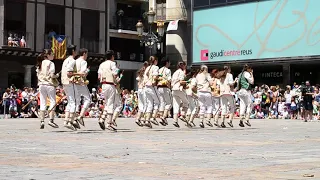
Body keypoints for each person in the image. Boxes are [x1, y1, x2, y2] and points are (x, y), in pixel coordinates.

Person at [36, 49, 59, 129]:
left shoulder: (40, 63)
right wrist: (57, 76)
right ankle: (51, 120)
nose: (53, 55)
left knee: (43, 102)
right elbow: (52, 75)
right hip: (49, 84)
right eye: (52, 54)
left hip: (41, 84)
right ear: (48, 55)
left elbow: (38, 75)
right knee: (53, 101)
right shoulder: (51, 63)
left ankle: (42, 120)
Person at [98, 50, 119, 131]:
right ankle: (109, 123)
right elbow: (115, 74)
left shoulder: (101, 64)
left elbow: (99, 76)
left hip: (103, 85)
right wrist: (117, 73)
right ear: (112, 56)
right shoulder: (112, 63)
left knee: (107, 103)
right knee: (111, 104)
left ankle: (102, 118)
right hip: (110, 84)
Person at [61, 45, 78, 130]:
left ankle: (65, 120)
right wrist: (79, 74)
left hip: (64, 82)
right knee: (73, 102)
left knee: (69, 102)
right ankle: (70, 121)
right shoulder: (72, 60)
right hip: (70, 82)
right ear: (73, 51)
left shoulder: (65, 60)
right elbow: (69, 73)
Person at [74, 48, 91, 127]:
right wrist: (87, 71)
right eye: (86, 54)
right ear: (84, 53)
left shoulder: (75, 61)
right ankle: (80, 116)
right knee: (88, 99)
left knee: (77, 100)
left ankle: (74, 118)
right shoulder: (83, 62)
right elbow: (83, 73)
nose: (87, 56)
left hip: (74, 82)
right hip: (81, 82)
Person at [143, 56, 160, 128]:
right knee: (158, 102)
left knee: (149, 103)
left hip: (146, 87)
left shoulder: (147, 68)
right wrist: (159, 77)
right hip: (152, 86)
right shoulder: (155, 67)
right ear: (155, 61)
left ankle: (147, 120)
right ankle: (153, 117)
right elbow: (155, 76)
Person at [171, 61, 189, 128]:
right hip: (179, 89)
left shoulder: (175, 72)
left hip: (174, 89)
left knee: (176, 105)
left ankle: (175, 120)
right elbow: (181, 81)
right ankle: (182, 114)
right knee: (186, 102)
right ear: (183, 66)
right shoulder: (181, 72)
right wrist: (187, 82)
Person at [157, 57, 172, 126]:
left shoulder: (159, 70)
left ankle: (160, 117)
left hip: (159, 87)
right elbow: (169, 80)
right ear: (167, 63)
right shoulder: (168, 70)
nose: (169, 64)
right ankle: (164, 116)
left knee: (162, 102)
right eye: (169, 62)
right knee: (169, 103)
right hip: (165, 87)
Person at [135, 61, 148, 126]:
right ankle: (143, 119)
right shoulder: (147, 73)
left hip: (139, 90)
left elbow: (137, 81)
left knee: (141, 105)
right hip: (144, 90)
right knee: (146, 105)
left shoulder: (140, 72)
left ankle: (138, 118)